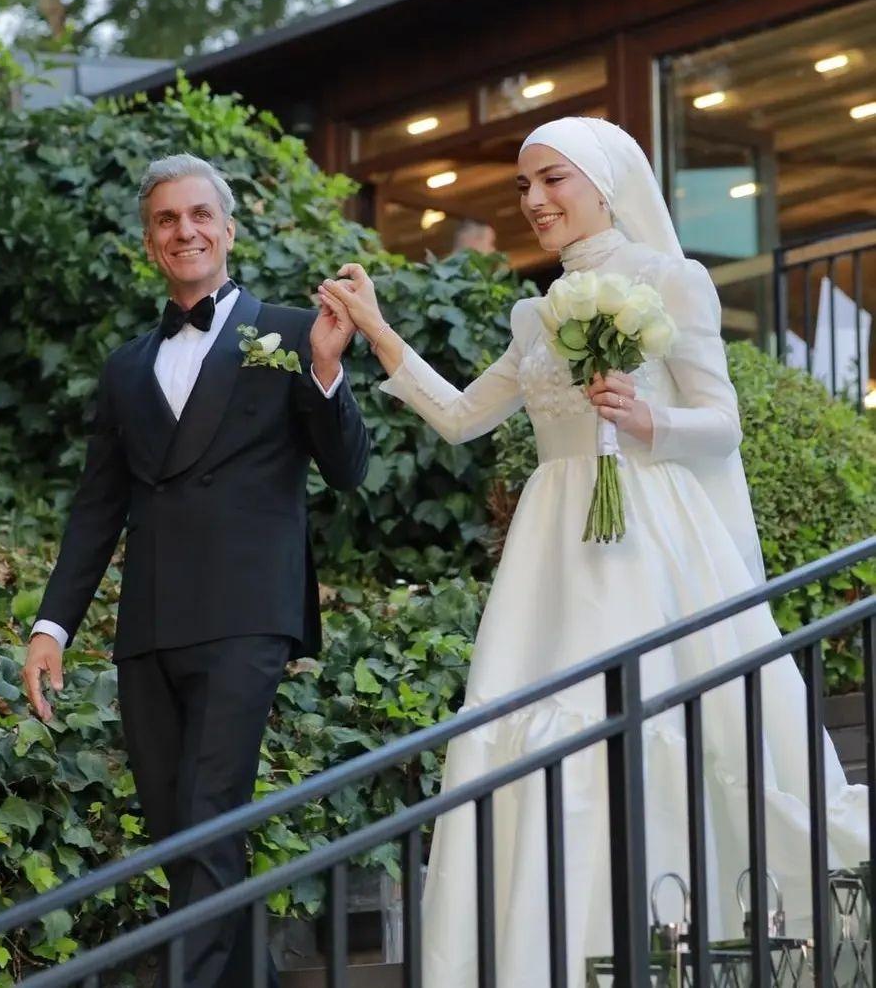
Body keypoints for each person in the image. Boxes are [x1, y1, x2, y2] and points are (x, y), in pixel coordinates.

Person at [318, 117, 868, 987]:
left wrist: (649, 420)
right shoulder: (535, 312)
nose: (535, 200)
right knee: (532, 729)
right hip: (551, 551)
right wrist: (378, 331)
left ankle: (676, 941)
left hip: (651, 538)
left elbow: (722, 423)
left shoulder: (671, 279)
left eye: (553, 180)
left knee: (654, 722)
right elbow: (461, 418)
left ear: (605, 185)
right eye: (524, 187)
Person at [21, 153, 370, 988]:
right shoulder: (125, 367)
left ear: (230, 230)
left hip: (246, 615)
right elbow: (97, 508)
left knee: (209, 816)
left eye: (200, 214)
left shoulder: (296, 331)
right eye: (167, 219)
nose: (186, 230)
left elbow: (349, 470)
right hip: (149, 627)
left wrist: (326, 369)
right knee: (181, 834)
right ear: (150, 242)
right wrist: (51, 626)